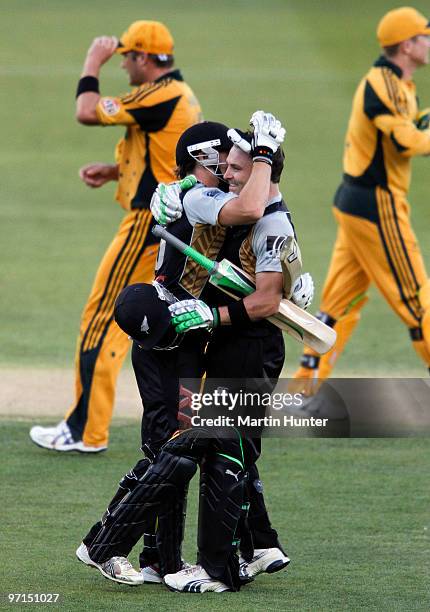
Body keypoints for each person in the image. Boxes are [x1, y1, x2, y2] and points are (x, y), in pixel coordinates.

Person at [78, 115, 310, 593]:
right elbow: (249, 210)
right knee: (179, 446)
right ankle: (127, 551)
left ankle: (244, 547)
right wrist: (262, 155)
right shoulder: (199, 196)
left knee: (210, 443)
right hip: (169, 340)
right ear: (204, 160)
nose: (227, 169)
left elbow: (257, 242)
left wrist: (288, 281)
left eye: (235, 163)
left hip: (193, 340)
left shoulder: (211, 195)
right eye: (221, 161)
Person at [29, 20, 202, 452]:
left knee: (102, 316)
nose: (122, 64)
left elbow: (87, 111)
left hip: (149, 223)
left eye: (127, 56)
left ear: (144, 58)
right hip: (173, 221)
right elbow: (166, 158)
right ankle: (190, 419)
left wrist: (92, 61)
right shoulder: (180, 95)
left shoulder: (157, 94)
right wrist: (116, 172)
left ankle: (84, 429)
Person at [292, 7, 430, 395]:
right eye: (425, 36)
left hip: (359, 205)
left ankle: (303, 391)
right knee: (417, 301)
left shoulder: (400, 83)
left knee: (337, 304)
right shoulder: (381, 84)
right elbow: (406, 140)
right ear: (407, 45)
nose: (429, 43)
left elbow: (411, 125)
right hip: (377, 205)